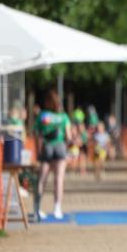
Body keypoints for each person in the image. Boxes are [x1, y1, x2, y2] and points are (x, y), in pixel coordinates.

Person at [36, 90, 73, 220]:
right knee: (59, 179)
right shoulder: (63, 117)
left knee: (42, 179)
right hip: (60, 147)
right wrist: (67, 148)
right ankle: (57, 208)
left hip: (46, 147)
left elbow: (38, 135)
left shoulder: (42, 116)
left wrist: (38, 152)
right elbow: (69, 137)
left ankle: (38, 208)